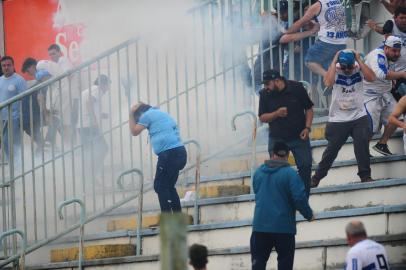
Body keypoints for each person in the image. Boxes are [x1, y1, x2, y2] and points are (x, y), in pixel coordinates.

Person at [311, 50, 376, 188]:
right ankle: (317, 177)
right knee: (331, 150)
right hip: (338, 118)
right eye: (344, 67)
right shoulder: (336, 68)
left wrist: (359, 61)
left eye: (349, 67)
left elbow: (372, 78)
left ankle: (365, 176)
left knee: (362, 145)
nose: (347, 70)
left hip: (358, 115)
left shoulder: (358, 67)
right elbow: (328, 82)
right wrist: (334, 61)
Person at [250, 142, 314, 270]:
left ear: (272, 154)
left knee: (258, 264)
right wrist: (308, 214)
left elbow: (257, 192)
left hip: (260, 226)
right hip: (284, 228)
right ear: (288, 155)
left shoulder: (258, 173)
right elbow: (299, 198)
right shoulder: (290, 174)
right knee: (285, 264)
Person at [258, 69, 314, 195]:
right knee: (277, 170)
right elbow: (262, 117)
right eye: (265, 84)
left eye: (268, 84)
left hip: (299, 136)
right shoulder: (264, 94)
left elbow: (309, 109)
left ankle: (303, 199)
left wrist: (307, 128)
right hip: (277, 139)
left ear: (277, 81)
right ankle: (282, 199)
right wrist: (276, 114)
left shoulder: (296, 87)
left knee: (305, 167)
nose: (266, 87)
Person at [129, 102, 187, 213]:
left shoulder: (146, 115)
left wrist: (131, 114)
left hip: (168, 154)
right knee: (169, 186)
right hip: (180, 152)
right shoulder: (160, 113)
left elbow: (134, 131)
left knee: (160, 186)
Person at [364, 35, 406, 155]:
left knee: (396, 116)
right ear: (386, 48)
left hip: (385, 94)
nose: (397, 54)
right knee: (371, 127)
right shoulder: (378, 54)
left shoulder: (390, 57)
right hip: (369, 96)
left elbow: (388, 74)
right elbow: (381, 74)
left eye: (398, 51)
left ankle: (382, 144)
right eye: (394, 50)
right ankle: (363, 152)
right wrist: (402, 75)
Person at [284, 0, 347, 79]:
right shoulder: (337, 2)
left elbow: (301, 22)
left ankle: (330, 77)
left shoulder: (318, 5)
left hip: (328, 42)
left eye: (307, 9)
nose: (307, 10)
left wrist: (287, 31)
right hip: (341, 41)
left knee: (310, 61)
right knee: (329, 64)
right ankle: (335, 80)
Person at [79, 75, 110, 180]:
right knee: (103, 148)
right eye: (107, 86)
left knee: (89, 152)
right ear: (102, 84)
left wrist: (101, 115)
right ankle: (92, 175)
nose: (107, 89)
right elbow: (89, 103)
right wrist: (94, 121)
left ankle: (88, 179)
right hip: (89, 126)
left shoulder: (88, 90)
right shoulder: (97, 89)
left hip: (82, 127)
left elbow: (87, 107)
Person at [48, 44, 79, 143]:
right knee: (64, 123)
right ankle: (70, 145)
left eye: (53, 54)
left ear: (59, 53)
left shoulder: (64, 60)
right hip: (65, 100)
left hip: (72, 98)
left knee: (71, 123)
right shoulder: (55, 66)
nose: (52, 57)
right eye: (50, 55)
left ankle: (74, 146)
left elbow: (67, 75)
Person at [0, 56, 27, 167]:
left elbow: (25, 99)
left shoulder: (19, 80)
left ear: (13, 65)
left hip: (15, 118)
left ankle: (16, 165)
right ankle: (15, 164)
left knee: (8, 142)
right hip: (3, 118)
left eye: (8, 65)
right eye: (4, 65)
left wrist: (22, 118)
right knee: (7, 143)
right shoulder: (0, 80)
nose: (6, 67)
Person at [21, 57, 45, 150]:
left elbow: (43, 85)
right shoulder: (39, 75)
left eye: (28, 71)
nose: (28, 74)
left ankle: (43, 145)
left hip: (43, 105)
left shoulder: (41, 71)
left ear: (32, 67)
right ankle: (42, 145)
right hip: (36, 109)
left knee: (29, 125)